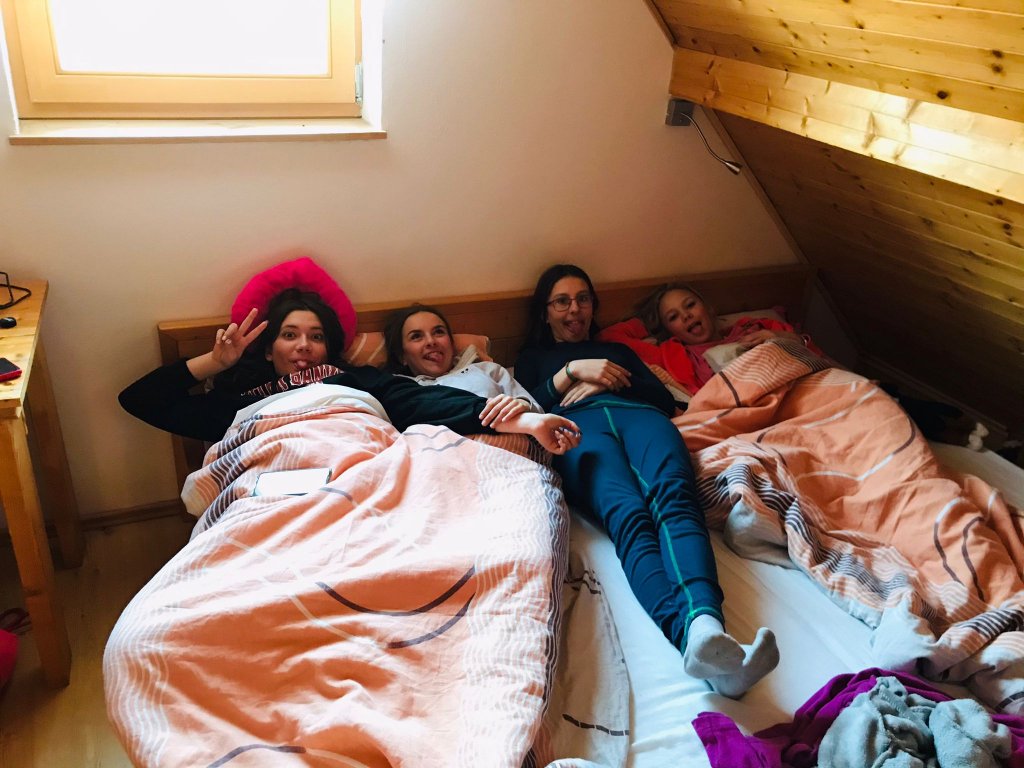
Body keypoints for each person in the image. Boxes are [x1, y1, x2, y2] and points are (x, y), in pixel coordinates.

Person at [515, 265, 779, 698]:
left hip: (641, 419)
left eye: (583, 299)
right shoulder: (530, 358)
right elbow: (531, 405)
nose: (575, 309)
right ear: (545, 312)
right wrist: (575, 371)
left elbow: (661, 397)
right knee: (629, 517)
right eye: (562, 301)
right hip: (577, 429)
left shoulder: (615, 350)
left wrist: (610, 380)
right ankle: (694, 642)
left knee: (675, 500)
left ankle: (705, 625)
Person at [120, 288, 579, 454]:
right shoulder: (238, 402)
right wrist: (215, 363)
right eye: (290, 335)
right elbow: (138, 400)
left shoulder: (349, 380)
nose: (304, 345)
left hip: (357, 462)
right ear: (269, 349)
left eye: (316, 336)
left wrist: (525, 420)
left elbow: (425, 401)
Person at [596, 282, 812, 396]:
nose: (686, 316)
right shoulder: (673, 356)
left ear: (707, 307)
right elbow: (608, 337)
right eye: (673, 317)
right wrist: (648, 323)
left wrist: (777, 338)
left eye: (690, 305)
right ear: (670, 330)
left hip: (796, 388)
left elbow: (809, 352)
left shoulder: (754, 327)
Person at [383, 303, 543, 428]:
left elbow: (539, 415)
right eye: (416, 336)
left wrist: (522, 404)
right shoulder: (397, 388)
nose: (431, 341)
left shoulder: (487, 370)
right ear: (402, 356)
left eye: (439, 332)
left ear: (451, 344)